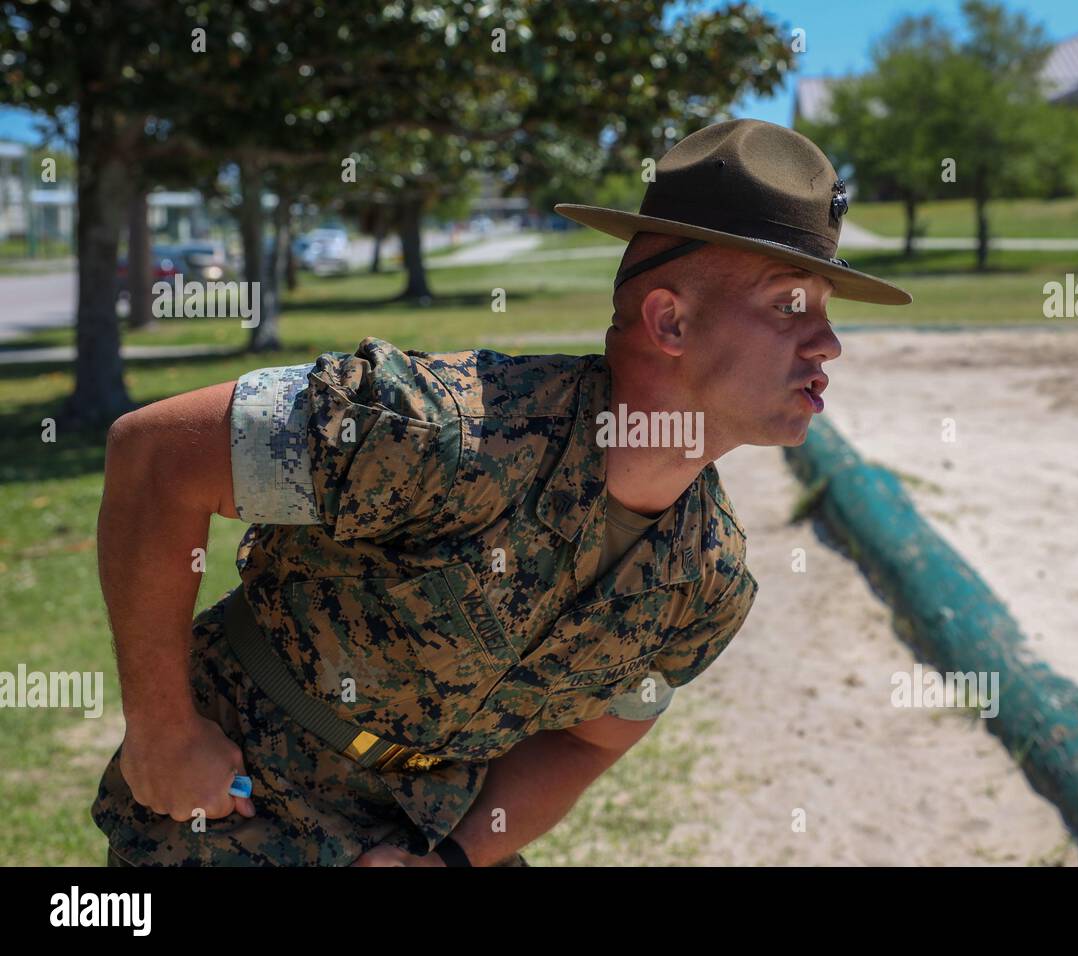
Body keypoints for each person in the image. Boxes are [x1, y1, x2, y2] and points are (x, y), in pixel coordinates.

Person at [91, 118, 911, 866]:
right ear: (670, 323)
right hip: (230, 805)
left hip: (422, 830)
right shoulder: (438, 426)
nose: (829, 343)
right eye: (789, 304)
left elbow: (587, 747)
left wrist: (448, 862)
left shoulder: (708, 581)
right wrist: (162, 734)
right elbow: (156, 457)